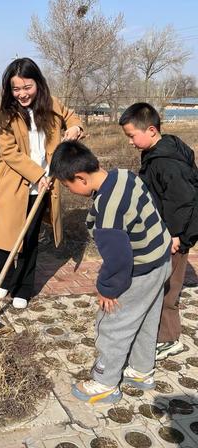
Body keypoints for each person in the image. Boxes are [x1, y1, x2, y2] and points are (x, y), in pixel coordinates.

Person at [50, 140, 172, 403]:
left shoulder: (107, 212)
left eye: (67, 185)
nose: (69, 190)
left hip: (138, 271)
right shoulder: (125, 175)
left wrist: (108, 289)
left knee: (114, 324)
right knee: (147, 318)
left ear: (80, 177)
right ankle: (141, 371)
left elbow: (118, 259)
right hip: (160, 259)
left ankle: (105, 382)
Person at [0, 57, 83, 309]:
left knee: (30, 239)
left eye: (27, 87)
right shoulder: (4, 115)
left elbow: (73, 118)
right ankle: (5, 280)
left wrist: (74, 128)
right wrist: (37, 175)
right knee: (7, 237)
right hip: (15, 184)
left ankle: (24, 288)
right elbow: (9, 153)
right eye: (16, 89)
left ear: (38, 84)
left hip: (45, 187)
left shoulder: (52, 105)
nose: (22, 94)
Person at [119, 102, 198, 361]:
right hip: (167, 232)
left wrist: (175, 235)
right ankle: (161, 332)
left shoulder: (166, 162)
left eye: (132, 136)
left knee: (167, 288)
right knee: (161, 284)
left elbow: (182, 200)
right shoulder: (161, 151)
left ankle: (169, 339)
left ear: (151, 130)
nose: (130, 142)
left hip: (175, 236)